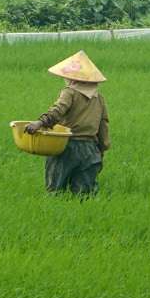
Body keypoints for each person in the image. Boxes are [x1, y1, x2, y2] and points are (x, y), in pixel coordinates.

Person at [25, 51, 111, 196]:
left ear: (72, 78)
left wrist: (39, 123)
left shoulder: (70, 92)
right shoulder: (99, 98)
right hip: (90, 149)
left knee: (56, 191)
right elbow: (103, 126)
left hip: (66, 147)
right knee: (85, 194)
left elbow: (57, 111)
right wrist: (101, 150)